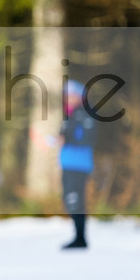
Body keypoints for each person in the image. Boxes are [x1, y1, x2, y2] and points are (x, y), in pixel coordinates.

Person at [60, 80, 97, 249]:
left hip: (78, 164)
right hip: (68, 162)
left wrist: (67, 139)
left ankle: (80, 238)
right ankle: (78, 237)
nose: (68, 98)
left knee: (75, 200)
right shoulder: (70, 115)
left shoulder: (84, 114)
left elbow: (86, 138)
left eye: (71, 95)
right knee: (70, 200)